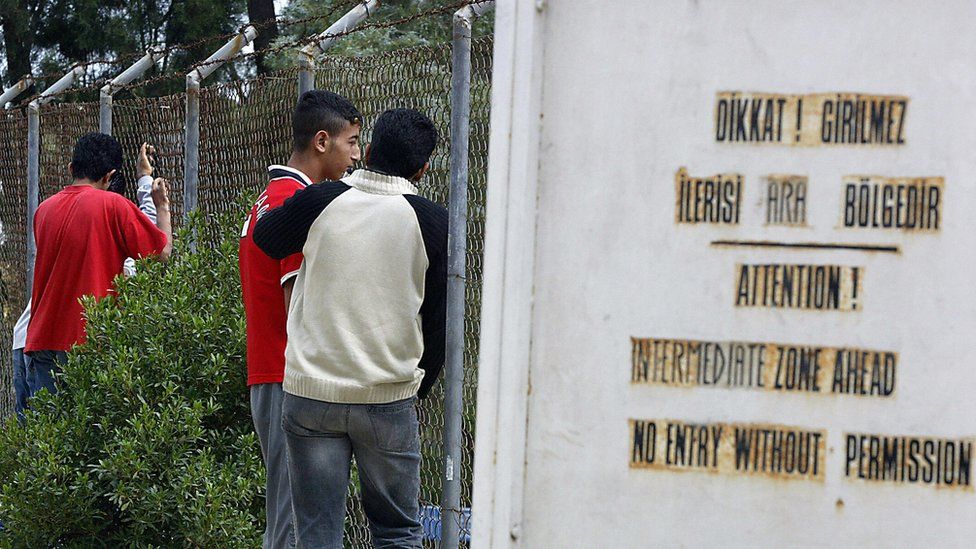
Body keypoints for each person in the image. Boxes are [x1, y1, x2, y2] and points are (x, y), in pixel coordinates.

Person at [253, 108, 447, 548]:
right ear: (423, 169)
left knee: (318, 532)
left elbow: (267, 238)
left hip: (312, 392)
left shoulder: (322, 200)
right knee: (396, 531)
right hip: (387, 394)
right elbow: (438, 324)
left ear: (371, 150)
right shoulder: (433, 222)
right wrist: (418, 385)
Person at [239, 89, 362, 549]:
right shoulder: (298, 203)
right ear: (322, 141)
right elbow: (298, 305)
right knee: (294, 522)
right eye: (351, 142)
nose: (356, 154)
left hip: (269, 370)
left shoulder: (268, 198)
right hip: (291, 374)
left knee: (288, 511)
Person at [11, 142, 161, 420]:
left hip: (40, 336)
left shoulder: (44, 209)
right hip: (87, 338)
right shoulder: (113, 206)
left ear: (71, 168)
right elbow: (158, 250)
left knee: (45, 438)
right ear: (109, 176)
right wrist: (154, 193)